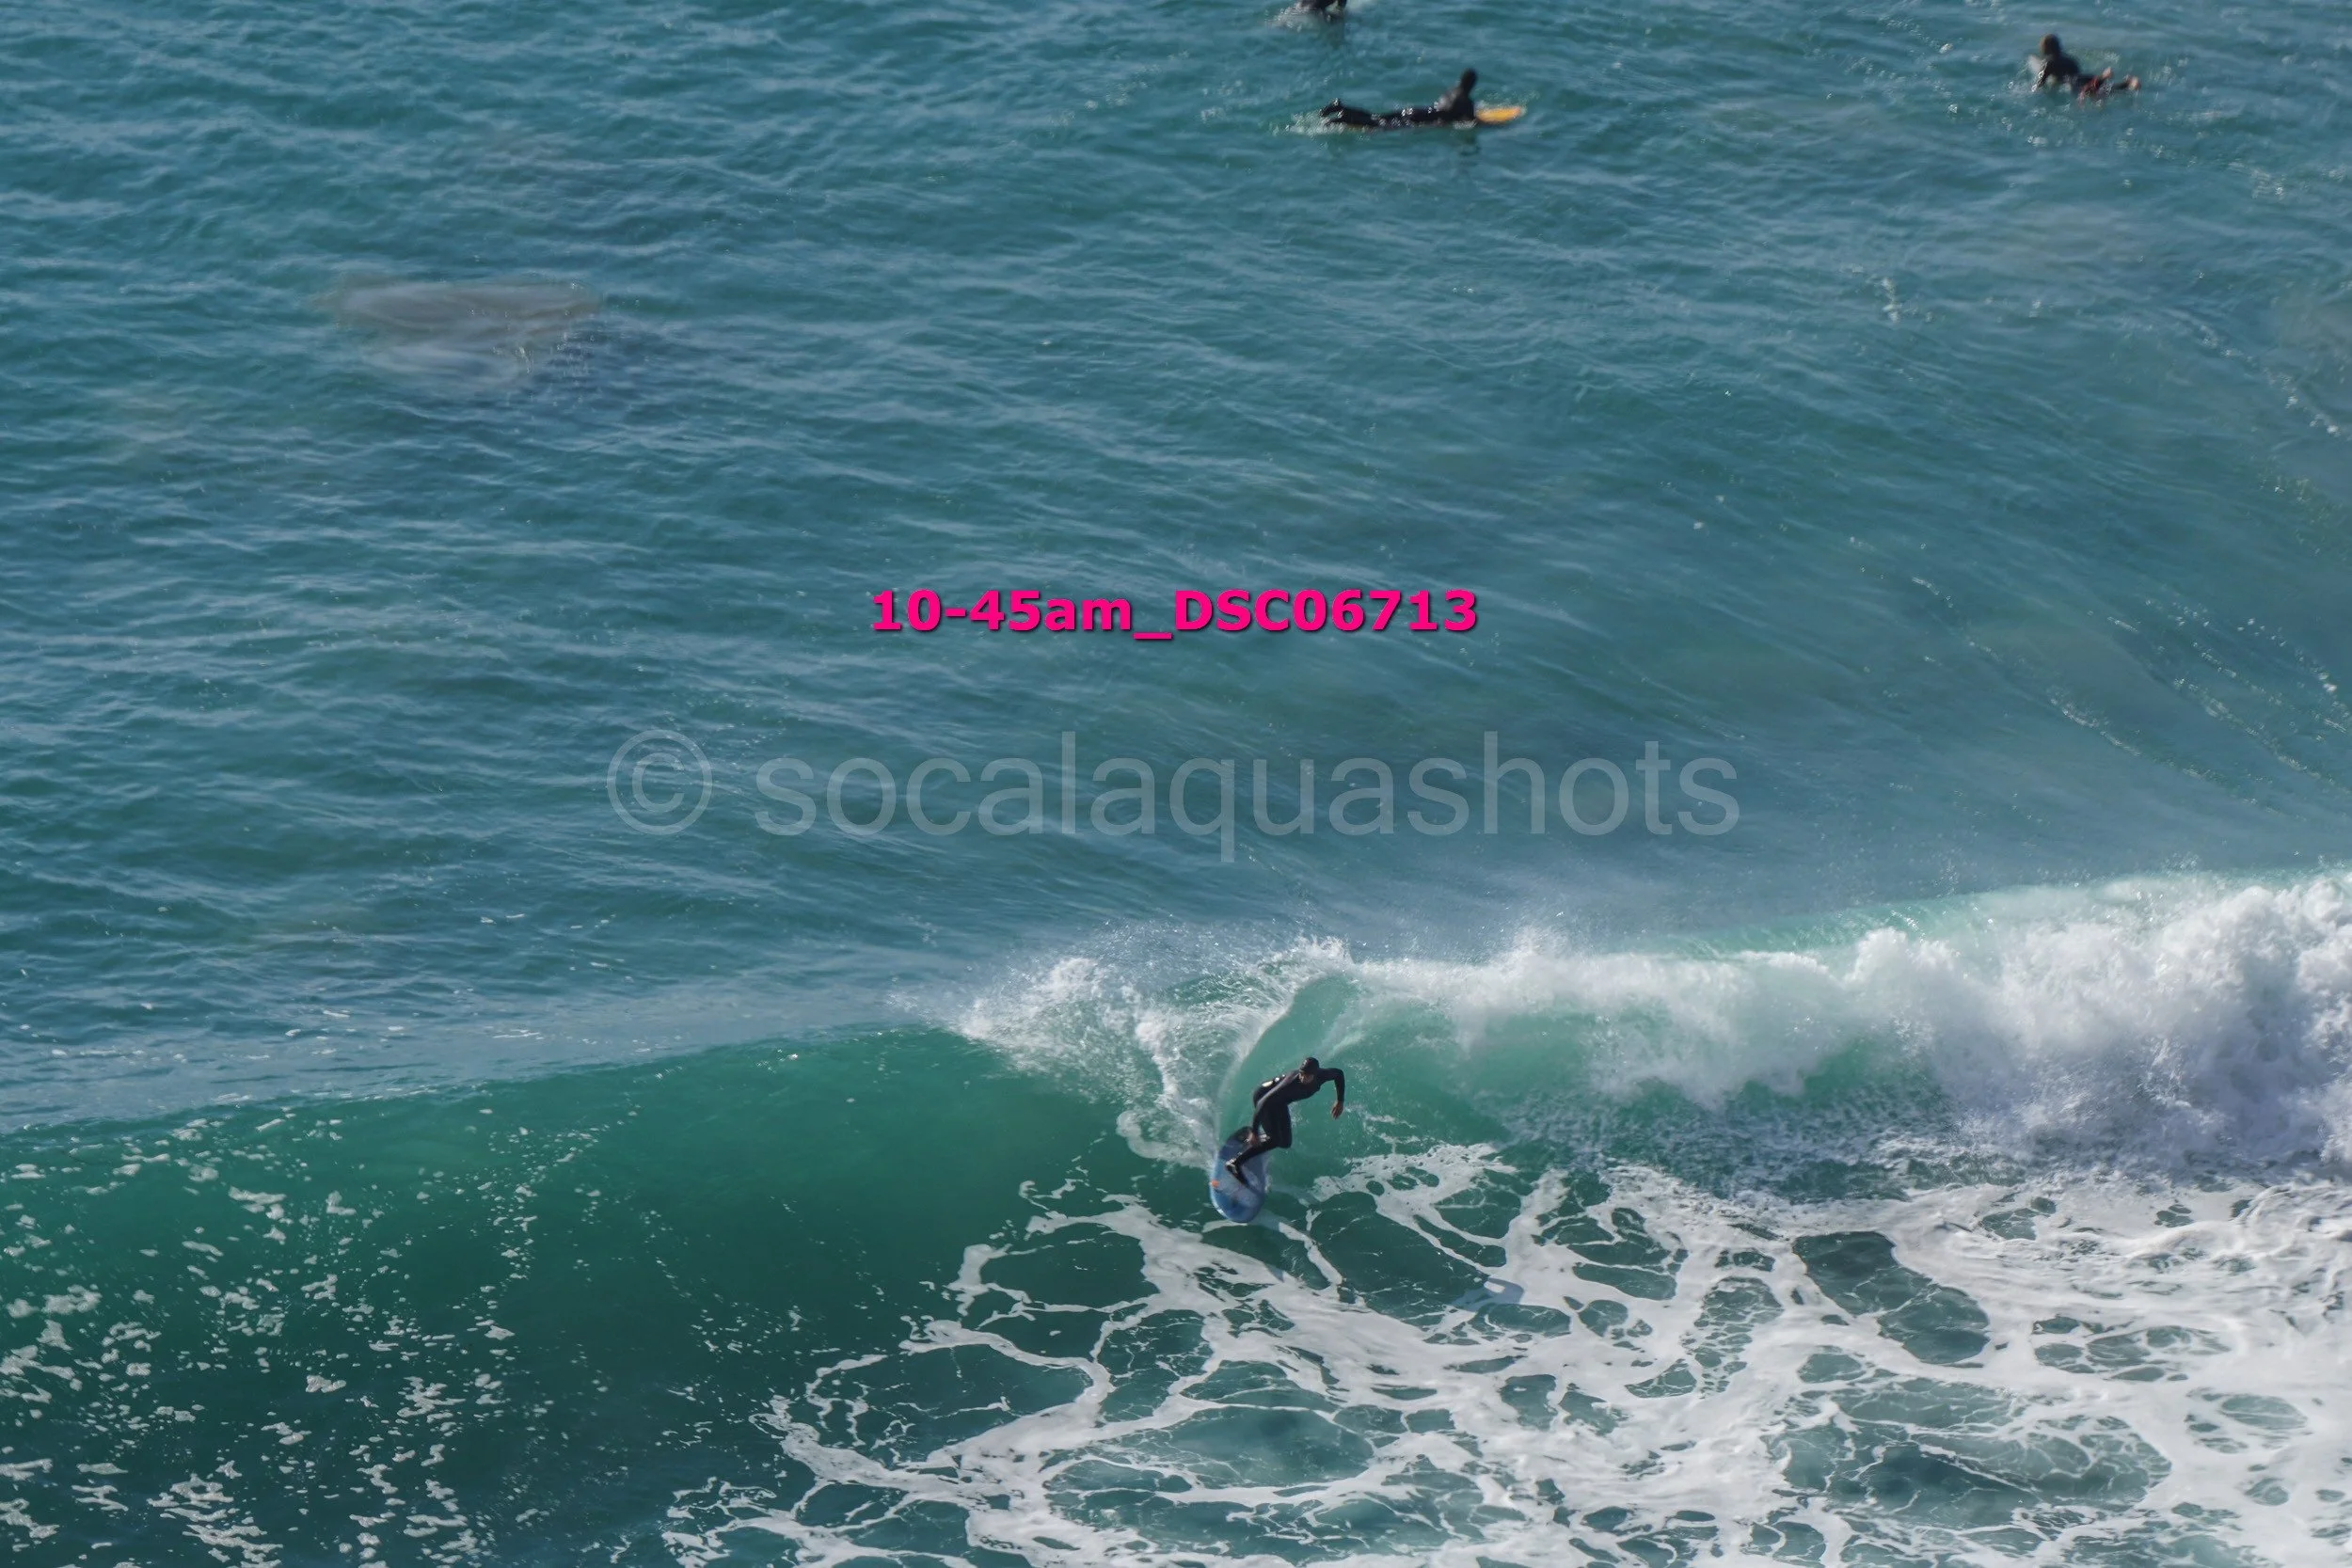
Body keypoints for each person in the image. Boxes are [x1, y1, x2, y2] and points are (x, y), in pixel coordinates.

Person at [1226, 1056, 1346, 1178]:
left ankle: (1250, 1138)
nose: (1303, 1078)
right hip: (1263, 1098)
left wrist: (1340, 1101)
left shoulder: (1323, 1075)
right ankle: (1235, 1163)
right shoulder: (1290, 1083)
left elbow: (1339, 1074)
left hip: (1280, 1103)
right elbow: (1263, 1102)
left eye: (1307, 1075)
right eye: (1302, 1073)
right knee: (1276, 1140)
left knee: (1285, 1143)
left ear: (1315, 1074)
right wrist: (1255, 1131)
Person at [1322, 69, 1480, 130]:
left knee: (1377, 117)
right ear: (1472, 84)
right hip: (1420, 119)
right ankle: (1343, 118)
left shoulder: (1451, 91)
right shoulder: (1466, 101)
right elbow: (1473, 122)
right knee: (1379, 125)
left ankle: (1341, 108)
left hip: (1415, 111)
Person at [2032, 33, 2137, 98]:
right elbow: (2077, 73)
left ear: (2045, 49)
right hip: (2083, 78)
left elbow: (2040, 83)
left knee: (2096, 91)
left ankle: (2114, 80)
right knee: (2105, 88)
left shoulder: (2048, 63)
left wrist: (2033, 90)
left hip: (2073, 83)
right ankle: (2127, 84)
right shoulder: (2070, 60)